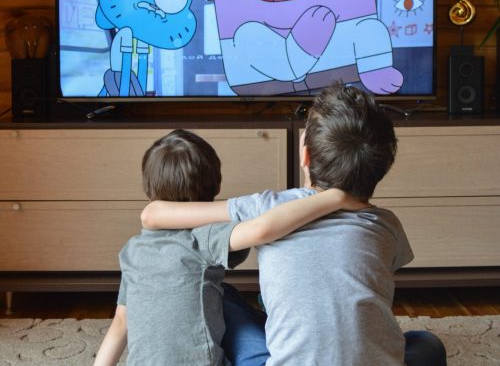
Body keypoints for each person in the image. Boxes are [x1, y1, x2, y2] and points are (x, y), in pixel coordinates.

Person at [141, 84, 447, 366]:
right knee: (427, 344)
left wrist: (334, 198)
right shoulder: (386, 225)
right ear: (381, 167)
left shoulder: (265, 207)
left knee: (225, 297)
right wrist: (340, 198)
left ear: (305, 154)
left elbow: (153, 214)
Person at [94, 128, 365, 366]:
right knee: (229, 299)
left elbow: (120, 323)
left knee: (224, 294)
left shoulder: (132, 250)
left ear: (149, 186)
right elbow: (261, 229)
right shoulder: (205, 238)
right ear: (215, 184)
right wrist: (336, 198)